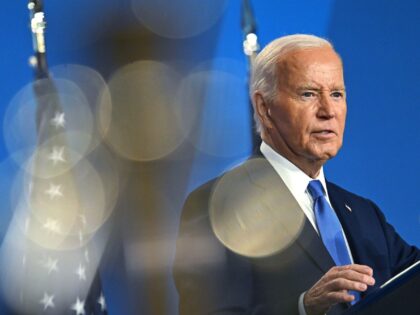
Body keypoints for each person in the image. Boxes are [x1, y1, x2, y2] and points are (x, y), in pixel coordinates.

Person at [173, 34, 420, 315]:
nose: (328, 111)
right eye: (308, 94)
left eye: (337, 94)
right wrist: (303, 307)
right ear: (264, 108)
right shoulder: (216, 206)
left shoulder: (365, 215)